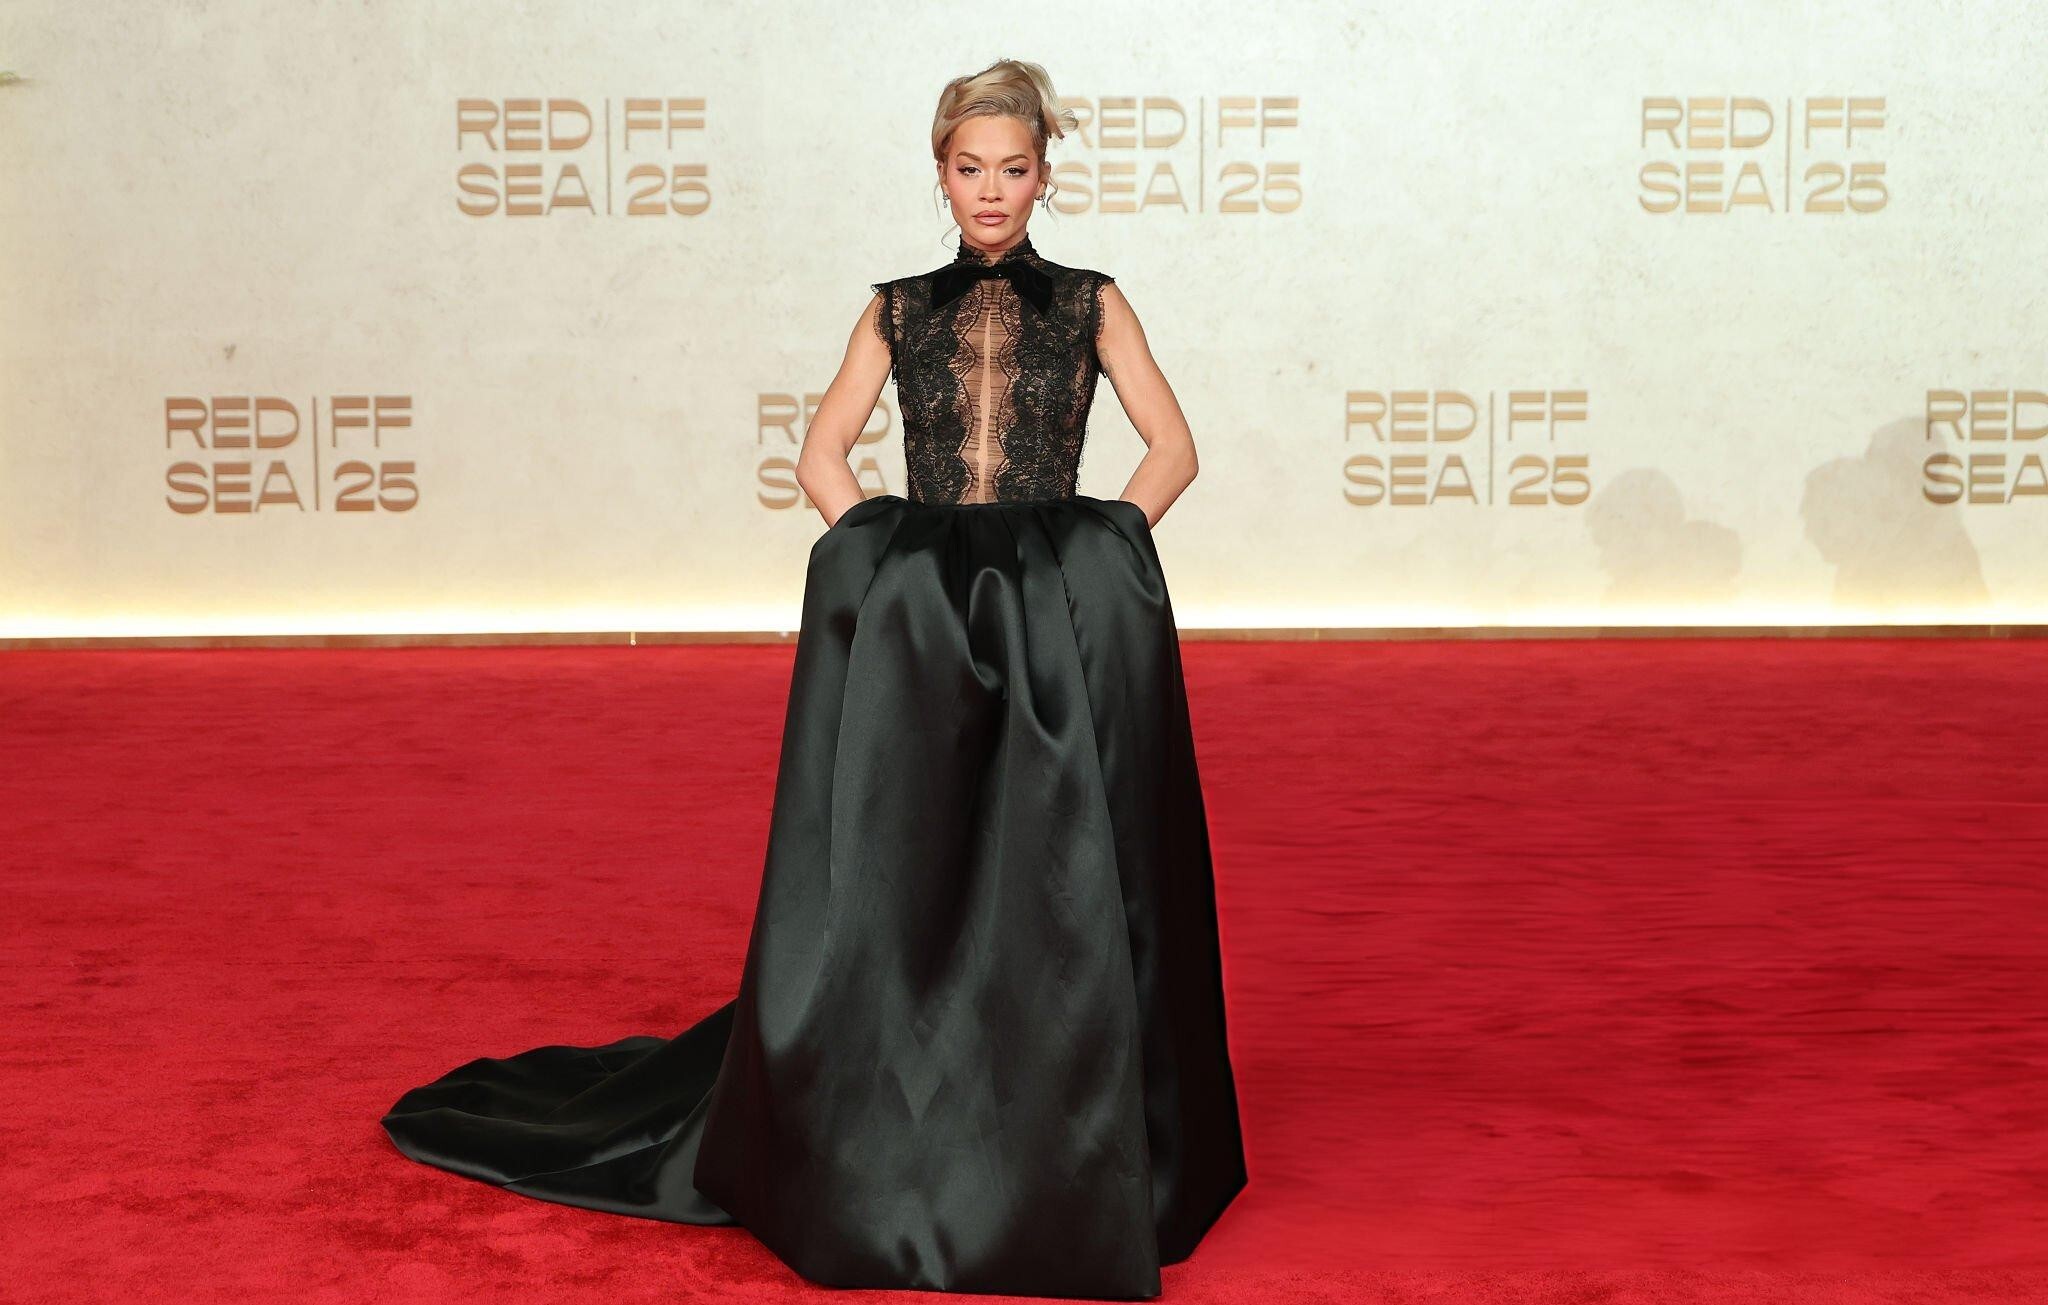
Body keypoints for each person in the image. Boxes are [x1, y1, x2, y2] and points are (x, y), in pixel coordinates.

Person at [382, 57, 1247, 1300]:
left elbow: (1172, 447)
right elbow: (821, 454)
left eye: (1012, 170)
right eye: (969, 168)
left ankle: (1055, 1120)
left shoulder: (1090, 303)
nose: (990, 191)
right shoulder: (895, 309)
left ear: (1044, 176)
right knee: (917, 851)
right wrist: (887, 562)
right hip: (930, 618)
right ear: (939, 174)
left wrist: (1093, 552)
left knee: (1053, 855)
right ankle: (902, 1118)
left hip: (1049, 620)